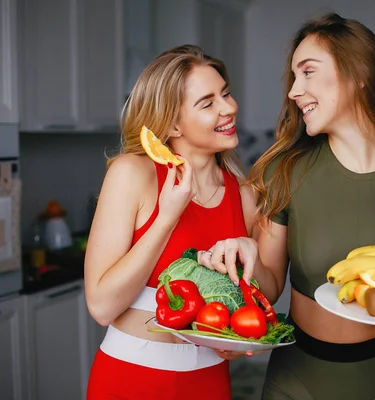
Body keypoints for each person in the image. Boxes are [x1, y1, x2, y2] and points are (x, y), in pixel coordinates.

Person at [199, 12, 375, 400]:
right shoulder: (282, 171)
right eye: (293, 77)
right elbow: (268, 289)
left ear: (359, 74)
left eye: (307, 72)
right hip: (296, 376)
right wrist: (249, 257)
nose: (293, 90)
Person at [84, 44, 258, 400]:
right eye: (208, 103)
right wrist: (167, 217)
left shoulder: (244, 195)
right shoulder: (132, 173)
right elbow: (101, 307)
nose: (229, 108)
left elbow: (249, 304)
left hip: (210, 381)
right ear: (171, 122)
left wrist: (241, 337)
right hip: (129, 380)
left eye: (226, 93)